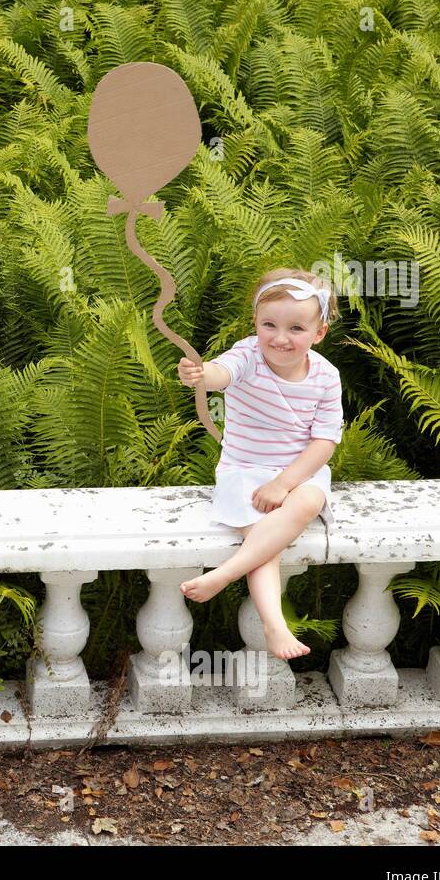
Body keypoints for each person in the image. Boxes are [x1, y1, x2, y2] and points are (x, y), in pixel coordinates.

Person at [175, 268, 344, 660]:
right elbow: (222, 373)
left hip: (299, 469)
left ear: (318, 333)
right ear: (255, 323)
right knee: (265, 537)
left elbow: (324, 443)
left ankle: (226, 574)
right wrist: (200, 375)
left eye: (296, 329)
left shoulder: (325, 376)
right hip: (245, 467)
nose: (280, 338)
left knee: (306, 503)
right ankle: (274, 623)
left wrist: (284, 484)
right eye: (269, 324)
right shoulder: (248, 355)